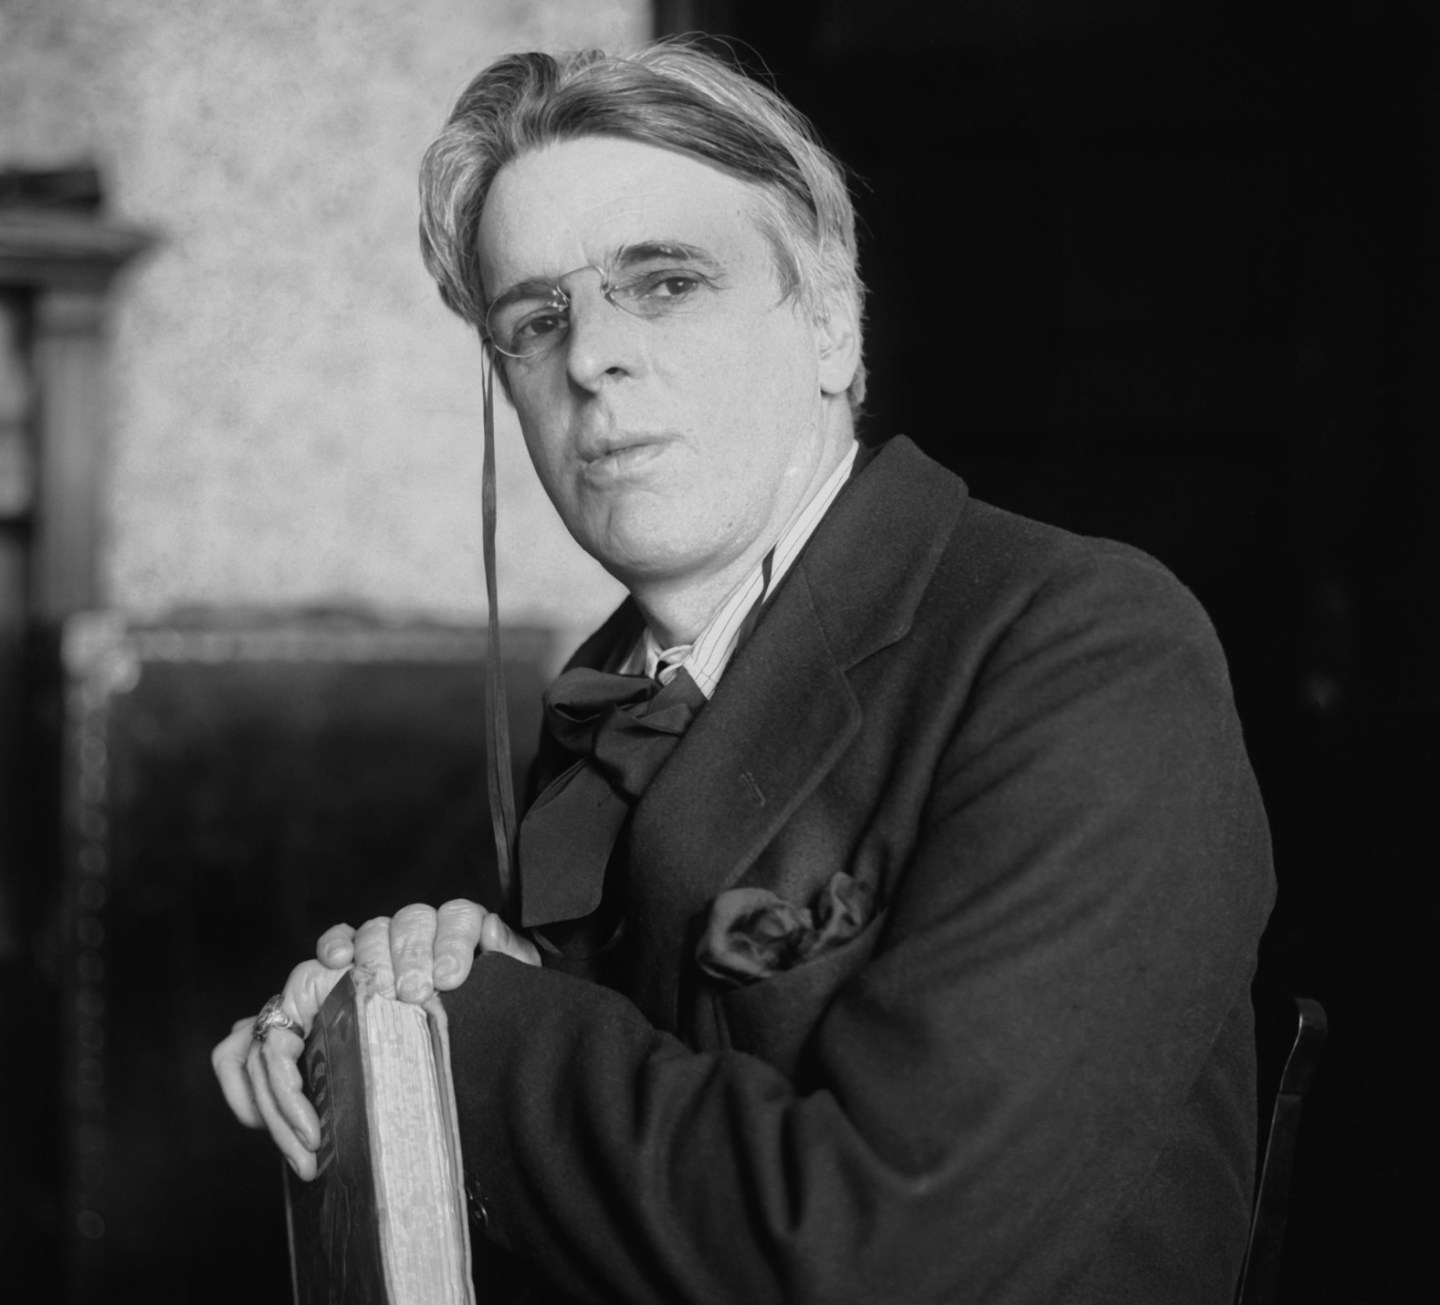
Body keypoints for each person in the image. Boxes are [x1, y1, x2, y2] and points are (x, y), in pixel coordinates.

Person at [213, 40, 1275, 1304]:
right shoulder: (606, 697)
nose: (591, 357)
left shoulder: (1083, 645)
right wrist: (379, 1020)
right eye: (536, 320)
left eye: (662, 282)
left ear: (832, 323)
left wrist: (473, 1034)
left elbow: (878, 1251)